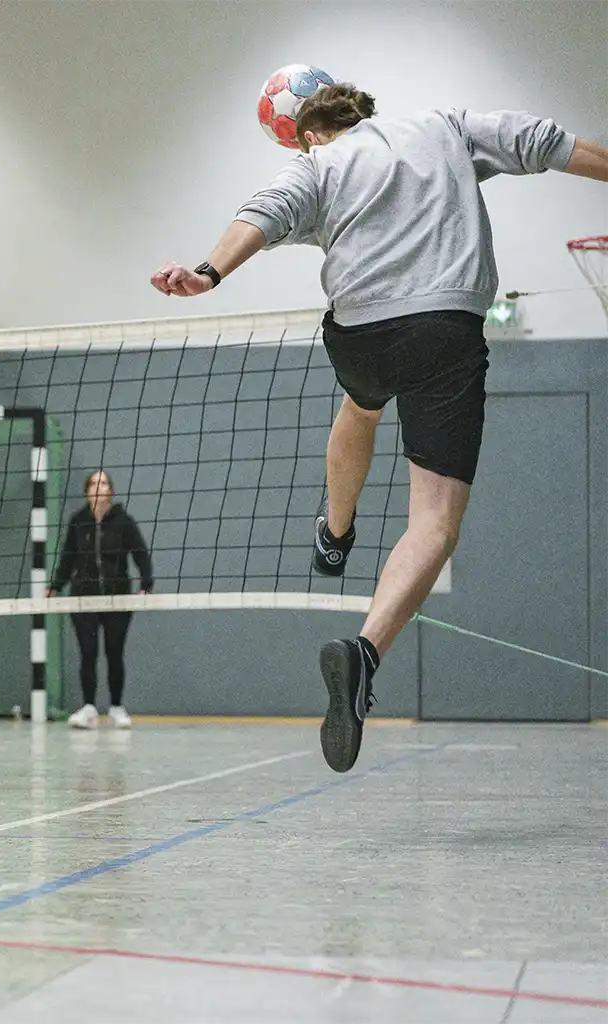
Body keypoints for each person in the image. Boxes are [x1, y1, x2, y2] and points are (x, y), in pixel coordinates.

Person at [151, 84, 608, 773]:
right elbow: (542, 142)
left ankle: (335, 532)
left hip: (358, 334)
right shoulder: (443, 126)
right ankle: (365, 651)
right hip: (443, 332)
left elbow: (263, 214)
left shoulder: (315, 166)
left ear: (306, 133)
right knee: (434, 522)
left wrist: (208, 272)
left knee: (361, 405)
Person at [47, 471, 153, 729]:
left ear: (110, 491)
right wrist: (55, 586)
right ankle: (89, 708)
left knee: (114, 653)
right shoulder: (78, 522)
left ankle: (116, 707)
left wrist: (146, 585)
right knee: (88, 652)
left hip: (117, 598)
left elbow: (141, 554)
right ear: (87, 491)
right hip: (83, 597)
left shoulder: (124, 522)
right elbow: (67, 557)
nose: (99, 487)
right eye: (94, 483)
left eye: (104, 483)